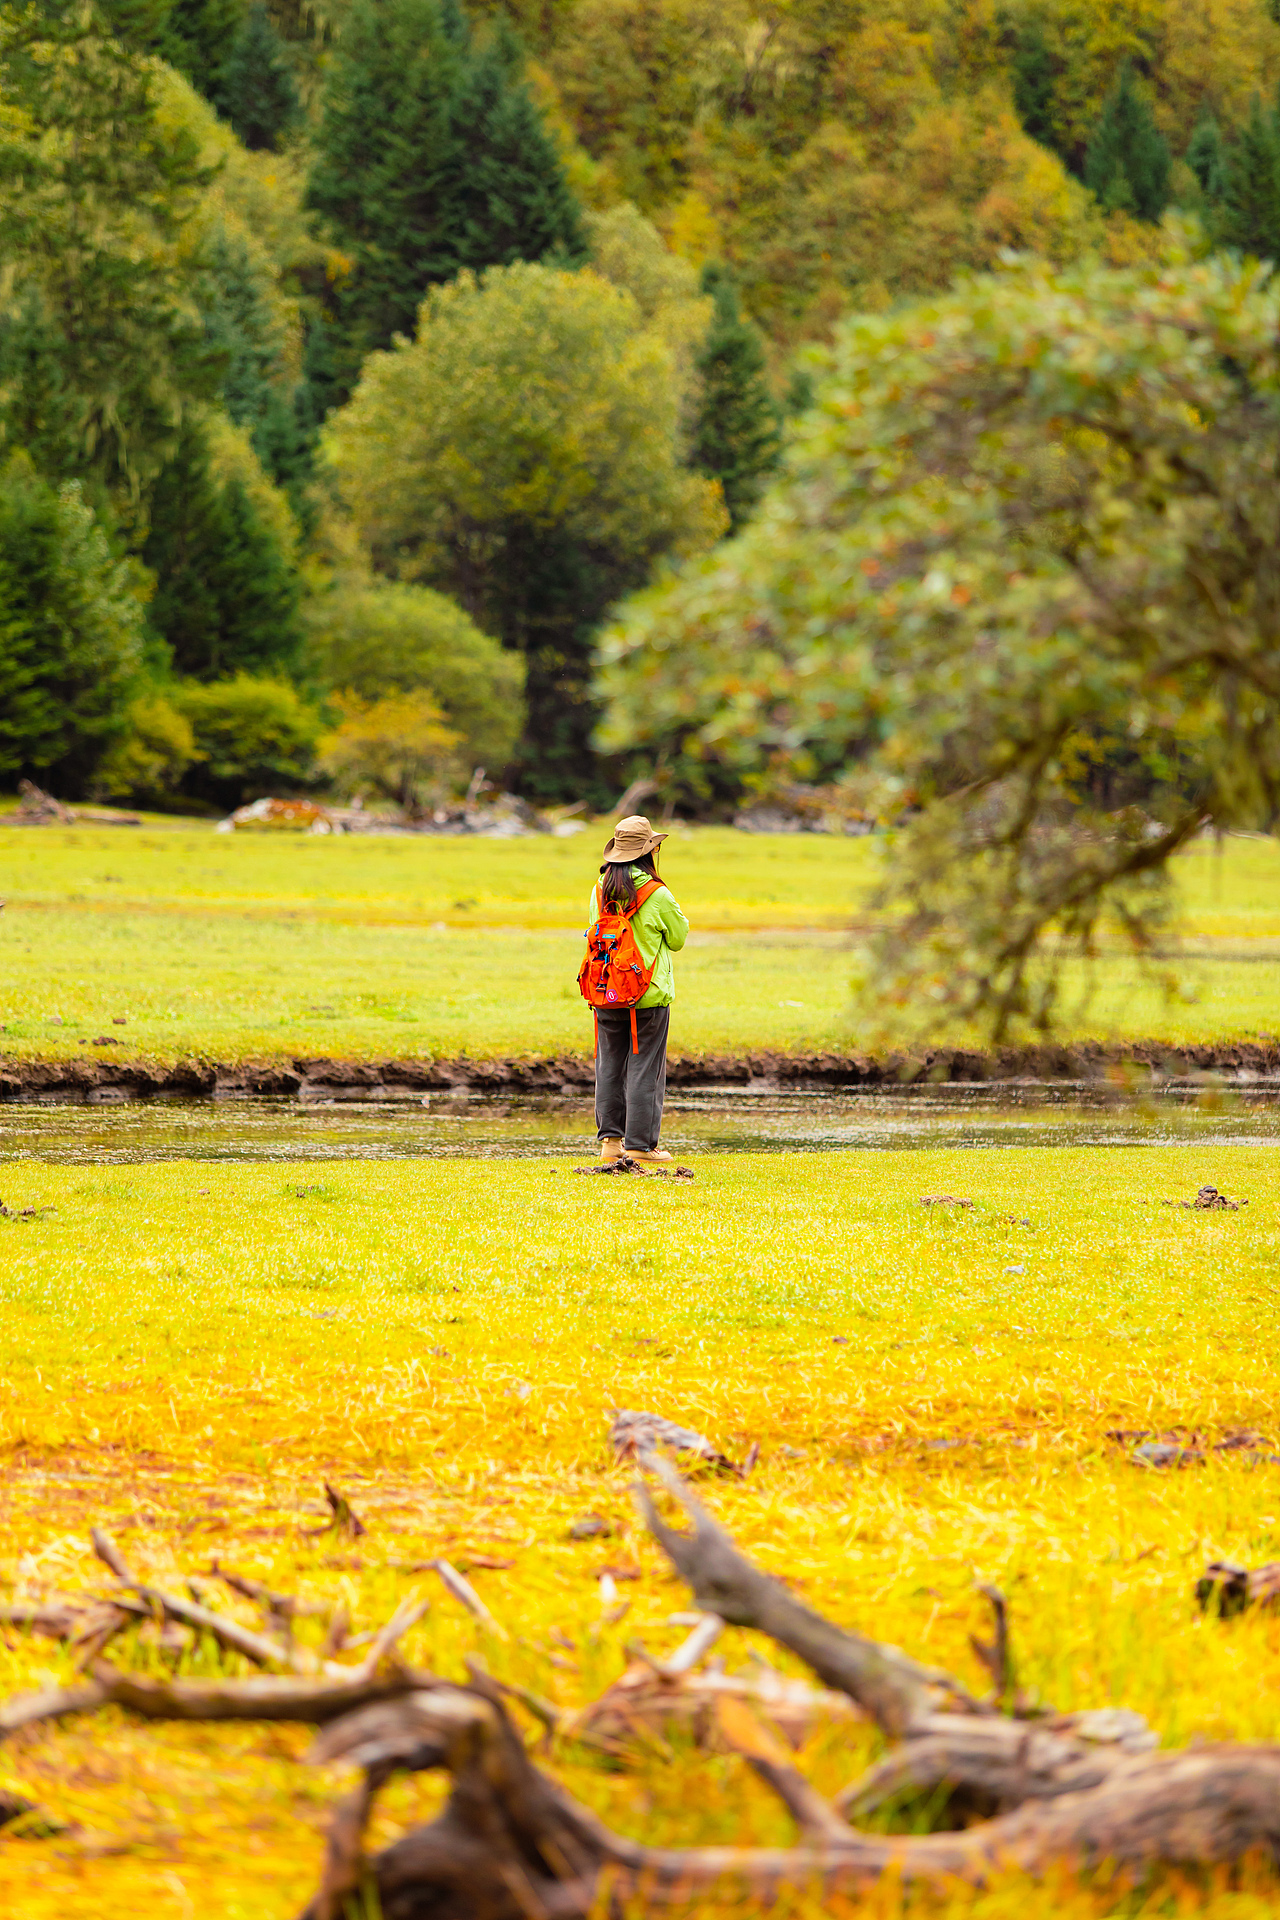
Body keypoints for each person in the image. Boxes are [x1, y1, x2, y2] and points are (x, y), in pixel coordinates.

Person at [585, 814, 688, 1165]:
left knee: (609, 1066)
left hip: (606, 991)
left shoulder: (599, 890)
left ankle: (610, 1145)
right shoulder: (656, 893)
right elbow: (677, 939)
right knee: (646, 1068)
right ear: (650, 850)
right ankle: (641, 1147)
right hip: (648, 995)